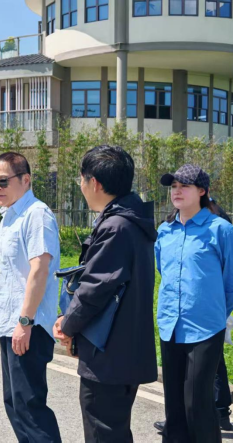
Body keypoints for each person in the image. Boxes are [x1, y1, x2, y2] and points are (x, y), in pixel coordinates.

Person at [53, 145, 158, 443]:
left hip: (108, 353)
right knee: (113, 430)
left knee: (103, 431)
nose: (81, 186)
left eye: (81, 179)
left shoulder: (116, 227)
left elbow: (94, 289)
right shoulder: (131, 221)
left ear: (95, 183)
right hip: (124, 348)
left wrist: (67, 324)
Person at [155, 164, 233, 443]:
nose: (177, 191)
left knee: (197, 403)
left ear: (202, 191)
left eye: (184, 186)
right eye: (174, 186)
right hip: (170, 325)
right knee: (174, 405)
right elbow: (163, 271)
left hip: (206, 328)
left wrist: (214, 310)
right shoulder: (164, 231)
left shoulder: (221, 230)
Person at [0, 152, 62, 443]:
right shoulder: (9, 217)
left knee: (30, 407)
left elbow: (39, 270)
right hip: (12, 324)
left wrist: (25, 321)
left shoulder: (36, 214)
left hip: (28, 325)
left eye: (3, 181)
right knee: (15, 403)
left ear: (26, 179)